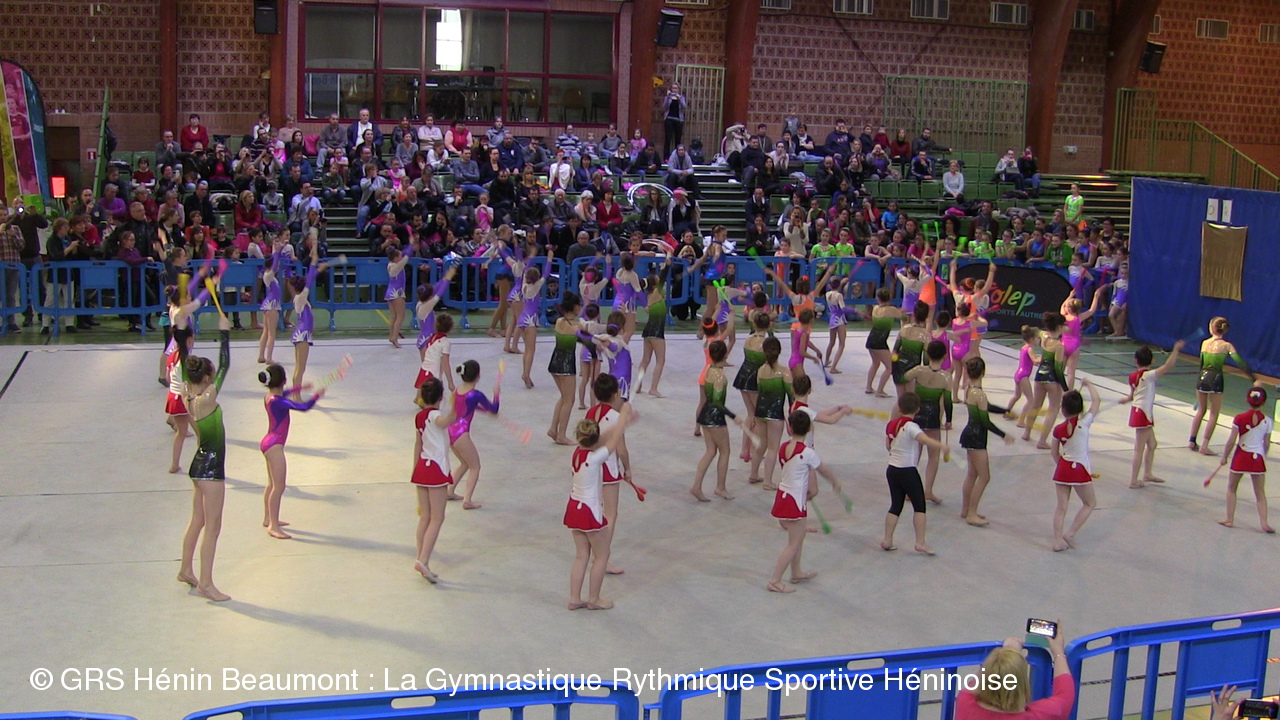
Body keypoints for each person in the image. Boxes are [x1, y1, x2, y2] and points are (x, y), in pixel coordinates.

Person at [178, 310, 233, 602]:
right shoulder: (207, 398)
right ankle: (206, 583)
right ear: (208, 378)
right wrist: (224, 333)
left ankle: (186, 569)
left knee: (197, 520)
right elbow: (225, 366)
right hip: (211, 469)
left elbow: (184, 361)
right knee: (213, 526)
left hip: (197, 465)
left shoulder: (187, 393)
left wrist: (180, 333)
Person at [565, 402, 634, 610]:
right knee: (602, 556)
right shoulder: (595, 458)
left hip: (574, 507)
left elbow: (605, 438)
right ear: (596, 440)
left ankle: (574, 598)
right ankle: (594, 599)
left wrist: (623, 420)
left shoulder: (576, 453)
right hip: (590, 511)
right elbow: (613, 439)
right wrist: (624, 415)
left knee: (581, 556)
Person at [767, 410, 843, 593]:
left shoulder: (783, 447)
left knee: (798, 537)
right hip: (794, 500)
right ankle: (774, 581)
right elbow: (823, 470)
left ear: (790, 428)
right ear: (809, 428)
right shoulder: (808, 453)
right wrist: (835, 481)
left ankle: (796, 572)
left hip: (784, 494)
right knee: (794, 543)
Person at [258, 364, 324, 540]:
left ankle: (268, 518)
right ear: (284, 380)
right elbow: (303, 407)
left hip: (268, 442)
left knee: (272, 484)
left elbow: (284, 394)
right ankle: (273, 526)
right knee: (279, 486)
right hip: (275, 446)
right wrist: (316, 396)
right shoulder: (279, 402)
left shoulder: (270, 397)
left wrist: (300, 388)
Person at [955, 630, 1076, 720]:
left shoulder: (965, 700)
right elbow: (1064, 697)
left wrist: (1007, 652)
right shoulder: (1036, 716)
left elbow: (978, 681)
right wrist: (1058, 653)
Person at [883, 393, 947, 554]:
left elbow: (888, 445)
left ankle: (887, 540)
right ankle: (920, 542)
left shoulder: (892, 424)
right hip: (908, 471)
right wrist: (941, 446)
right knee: (919, 506)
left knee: (896, 505)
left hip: (892, 469)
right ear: (917, 409)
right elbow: (924, 440)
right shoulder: (911, 427)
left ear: (899, 408)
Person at [412, 376, 459, 584]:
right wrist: (455, 406)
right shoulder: (435, 415)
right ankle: (423, 560)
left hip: (422, 468)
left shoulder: (419, 417)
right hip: (435, 470)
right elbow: (445, 421)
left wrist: (415, 469)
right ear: (441, 397)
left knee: (425, 517)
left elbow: (418, 444)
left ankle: (421, 557)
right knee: (437, 518)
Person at [1118, 341, 1184, 489]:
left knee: (1152, 444)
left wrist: (1125, 400)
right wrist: (1176, 350)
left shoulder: (1133, 376)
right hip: (1143, 413)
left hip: (1141, 412)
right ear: (1152, 361)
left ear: (1135, 360)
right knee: (1139, 449)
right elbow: (1167, 366)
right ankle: (1133, 480)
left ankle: (1147, 473)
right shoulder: (1148, 376)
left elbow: (1133, 395)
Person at [958, 358, 1014, 526]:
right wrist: (1003, 434)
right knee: (984, 477)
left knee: (972, 474)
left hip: (970, 434)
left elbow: (986, 407)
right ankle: (972, 514)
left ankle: (966, 509)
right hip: (977, 438)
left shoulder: (970, 390)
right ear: (983, 372)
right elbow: (985, 422)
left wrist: (1005, 410)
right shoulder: (979, 394)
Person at [1190, 317, 1255, 454]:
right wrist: (1252, 378)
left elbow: (1202, 363)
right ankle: (1204, 445)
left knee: (1201, 410)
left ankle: (1191, 440)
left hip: (1202, 377)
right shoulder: (1227, 346)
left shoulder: (1204, 343)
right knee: (1214, 413)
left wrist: (1200, 385)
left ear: (1212, 328)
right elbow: (1240, 362)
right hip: (1216, 378)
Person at [693, 340, 747, 501]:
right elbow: (717, 401)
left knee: (710, 451)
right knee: (725, 451)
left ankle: (696, 486)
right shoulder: (720, 376)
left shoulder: (708, 370)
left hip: (705, 414)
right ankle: (720, 487)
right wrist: (733, 416)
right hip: (715, 418)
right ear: (725, 355)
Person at [1051, 379, 1100, 551]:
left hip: (1063, 468)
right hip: (1079, 470)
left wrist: (1061, 466)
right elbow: (1096, 401)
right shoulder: (1084, 423)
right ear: (1080, 408)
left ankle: (1057, 541)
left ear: (1062, 409)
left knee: (1061, 507)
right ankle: (1070, 533)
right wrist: (1088, 384)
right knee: (1090, 503)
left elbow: (1054, 452)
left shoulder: (1058, 429)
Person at [1217, 387, 1274, 532]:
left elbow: (1231, 440)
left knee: (1231, 488)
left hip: (1241, 456)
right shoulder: (1268, 421)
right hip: (1257, 458)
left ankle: (1229, 519)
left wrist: (1224, 457)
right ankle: (1264, 523)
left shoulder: (1239, 418)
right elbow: (1266, 443)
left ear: (1247, 400)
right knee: (1260, 493)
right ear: (1264, 402)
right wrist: (1264, 455)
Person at [446, 360, 500, 510]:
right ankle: (467, 500)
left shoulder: (457, 391)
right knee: (475, 466)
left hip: (450, 431)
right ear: (478, 376)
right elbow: (494, 409)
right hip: (462, 433)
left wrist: (483, 410)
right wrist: (496, 395)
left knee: (465, 463)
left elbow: (464, 408)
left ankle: (450, 490)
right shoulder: (476, 394)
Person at [904, 341, 953, 505]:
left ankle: (909, 490)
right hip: (932, 418)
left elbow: (904, 377)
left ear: (928, 354)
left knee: (914, 453)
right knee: (933, 455)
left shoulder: (919, 370)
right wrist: (948, 420)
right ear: (944, 356)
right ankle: (928, 490)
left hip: (917, 415)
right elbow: (948, 402)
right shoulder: (946, 377)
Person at [748, 337, 792, 489]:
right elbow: (791, 396)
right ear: (779, 351)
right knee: (773, 448)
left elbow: (760, 391)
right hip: (775, 414)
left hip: (760, 411)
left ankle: (753, 474)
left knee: (761, 444)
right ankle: (767, 481)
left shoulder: (760, 370)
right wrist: (791, 418)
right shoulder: (784, 371)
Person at [1022, 313, 1068, 449]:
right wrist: (1065, 388)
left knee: (1035, 406)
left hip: (1039, 376)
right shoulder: (1059, 346)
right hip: (1052, 379)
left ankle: (1026, 432)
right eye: (1063, 326)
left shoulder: (1043, 337)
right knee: (1053, 409)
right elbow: (1058, 369)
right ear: (1059, 327)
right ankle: (1042, 441)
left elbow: (1035, 330)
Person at [547, 292, 583, 444]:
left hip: (555, 362)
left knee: (563, 397)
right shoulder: (577, 326)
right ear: (575, 307)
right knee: (569, 400)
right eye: (580, 306)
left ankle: (553, 428)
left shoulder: (559, 321)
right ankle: (561, 435)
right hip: (567, 365)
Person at [636, 255, 673, 398]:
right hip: (657, 332)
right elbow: (663, 277)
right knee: (660, 360)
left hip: (648, 332)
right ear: (654, 285)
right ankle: (653, 388)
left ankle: (638, 385)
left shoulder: (650, 296)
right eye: (657, 280)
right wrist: (667, 265)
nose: (659, 280)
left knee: (645, 360)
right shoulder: (656, 293)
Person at [662, 82, 688, 159]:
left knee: (678, 139)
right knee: (668, 138)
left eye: (676, 88)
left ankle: (677, 157)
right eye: (673, 88)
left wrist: (679, 99)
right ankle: (666, 157)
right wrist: (667, 97)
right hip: (669, 119)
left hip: (678, 120)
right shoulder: (668, 97)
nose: (674, 90)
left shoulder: (681, 97)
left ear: (678, 89)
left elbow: (684, 107)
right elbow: (664, 106)